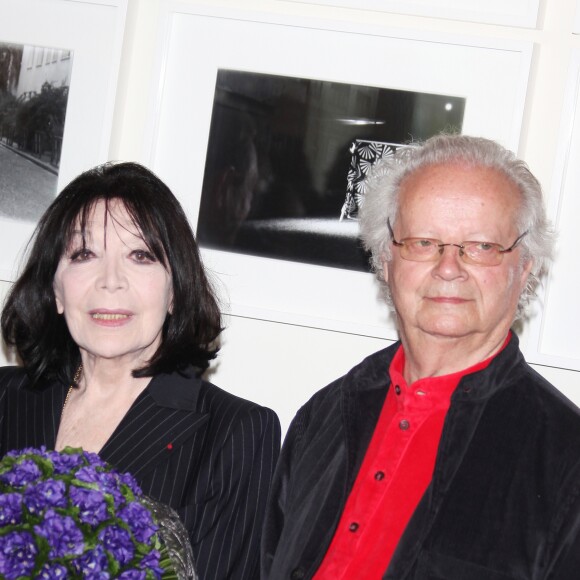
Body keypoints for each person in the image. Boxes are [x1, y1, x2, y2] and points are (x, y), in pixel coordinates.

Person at [261, 134, 580, 579]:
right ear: (386, 259)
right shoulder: (326, 415)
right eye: (423, 242)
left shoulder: (567, 459)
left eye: (482, 247)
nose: (449, 267)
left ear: (524, 266)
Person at [0, 162, 281, 580]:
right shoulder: (5, 398)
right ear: (56, 289)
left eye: (140, 255)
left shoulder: (235, 433)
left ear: (174, 290)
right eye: (84, 254)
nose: (110, 281)